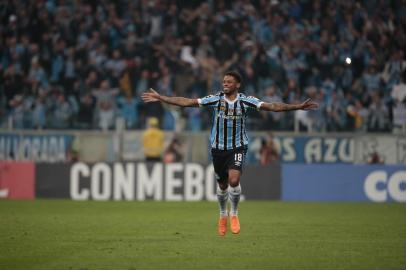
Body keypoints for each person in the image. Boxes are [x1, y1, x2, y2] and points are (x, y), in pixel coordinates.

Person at [142, 71, 318, 236]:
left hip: (238, 147)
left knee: (234, 179)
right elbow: (187, 102)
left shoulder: (246, 100)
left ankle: (234, 213)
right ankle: (222, 214)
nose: (225, 84)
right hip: (218, 148)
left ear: (238, 85)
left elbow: (272, 106)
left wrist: (297, 106)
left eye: (229, 82)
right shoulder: (215, 99)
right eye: (224, 81)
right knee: (223, 185)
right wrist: (161, 98)